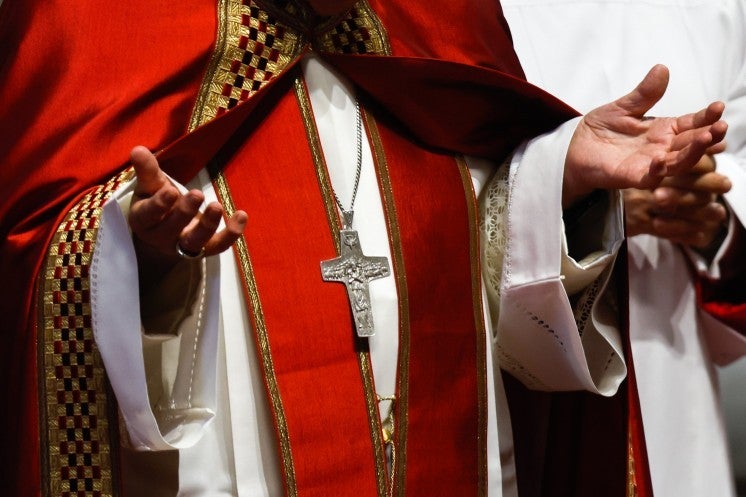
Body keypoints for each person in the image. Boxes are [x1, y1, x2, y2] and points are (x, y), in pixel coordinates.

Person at [0, 0, 727, 496]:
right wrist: (139, 255)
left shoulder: (434, 18)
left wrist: (561, 179)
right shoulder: (90, 21)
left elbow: (481, 230)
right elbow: (28, 252)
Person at [500, 0, 746, 495]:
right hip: (523, 387)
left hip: (676, 367)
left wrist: (710, 212)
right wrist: (586, 205)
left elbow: (737, 154)